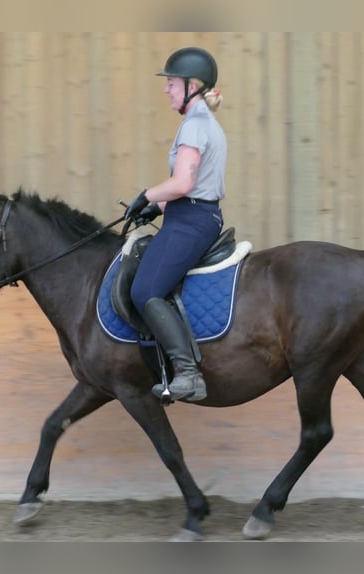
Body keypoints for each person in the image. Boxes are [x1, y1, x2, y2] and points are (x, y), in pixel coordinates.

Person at [123, 46, 226, 402]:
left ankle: (188, 373)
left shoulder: (195, 126)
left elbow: (183, 183)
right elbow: (188, 187)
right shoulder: (200, 123)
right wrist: (157, 207)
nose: (166, 89)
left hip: (192, 221)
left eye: (171, 82)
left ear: (192, 85)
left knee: (144, 290)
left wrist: (147, 195)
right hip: (190, 215)